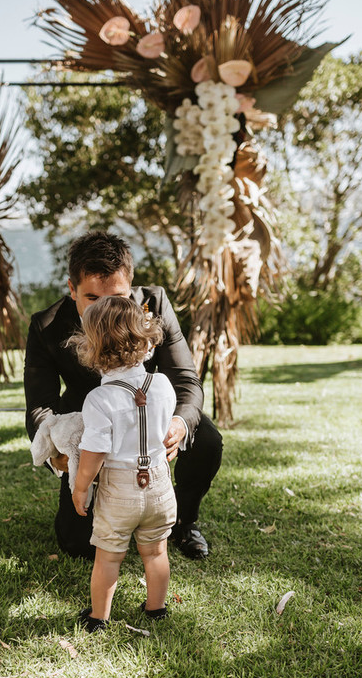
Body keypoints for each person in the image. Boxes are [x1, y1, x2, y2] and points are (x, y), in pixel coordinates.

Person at [24, 230, 222, 561]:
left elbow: (186, 379)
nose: (107, 312)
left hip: (150, 414)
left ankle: (184, 521)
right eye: (92, 299)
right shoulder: (46, 326)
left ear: (129, 288)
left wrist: (180, 424)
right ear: (72, 289)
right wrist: (57, 454)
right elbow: (40, 406)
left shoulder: (154, 303)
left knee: (207, 440)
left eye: (116, 298)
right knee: (76, 544)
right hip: (87, 428)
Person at [70, 296, 177, 632]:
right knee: (156, 552)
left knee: (109, 556)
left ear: (93, 349)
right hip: (160, 484)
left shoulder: (100, 398)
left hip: (119, 489)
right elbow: (163, 427)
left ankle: (98, 617)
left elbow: (95, 451)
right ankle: (156, 608)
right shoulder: (161, 384)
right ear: (146, 341)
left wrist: (81, 485)